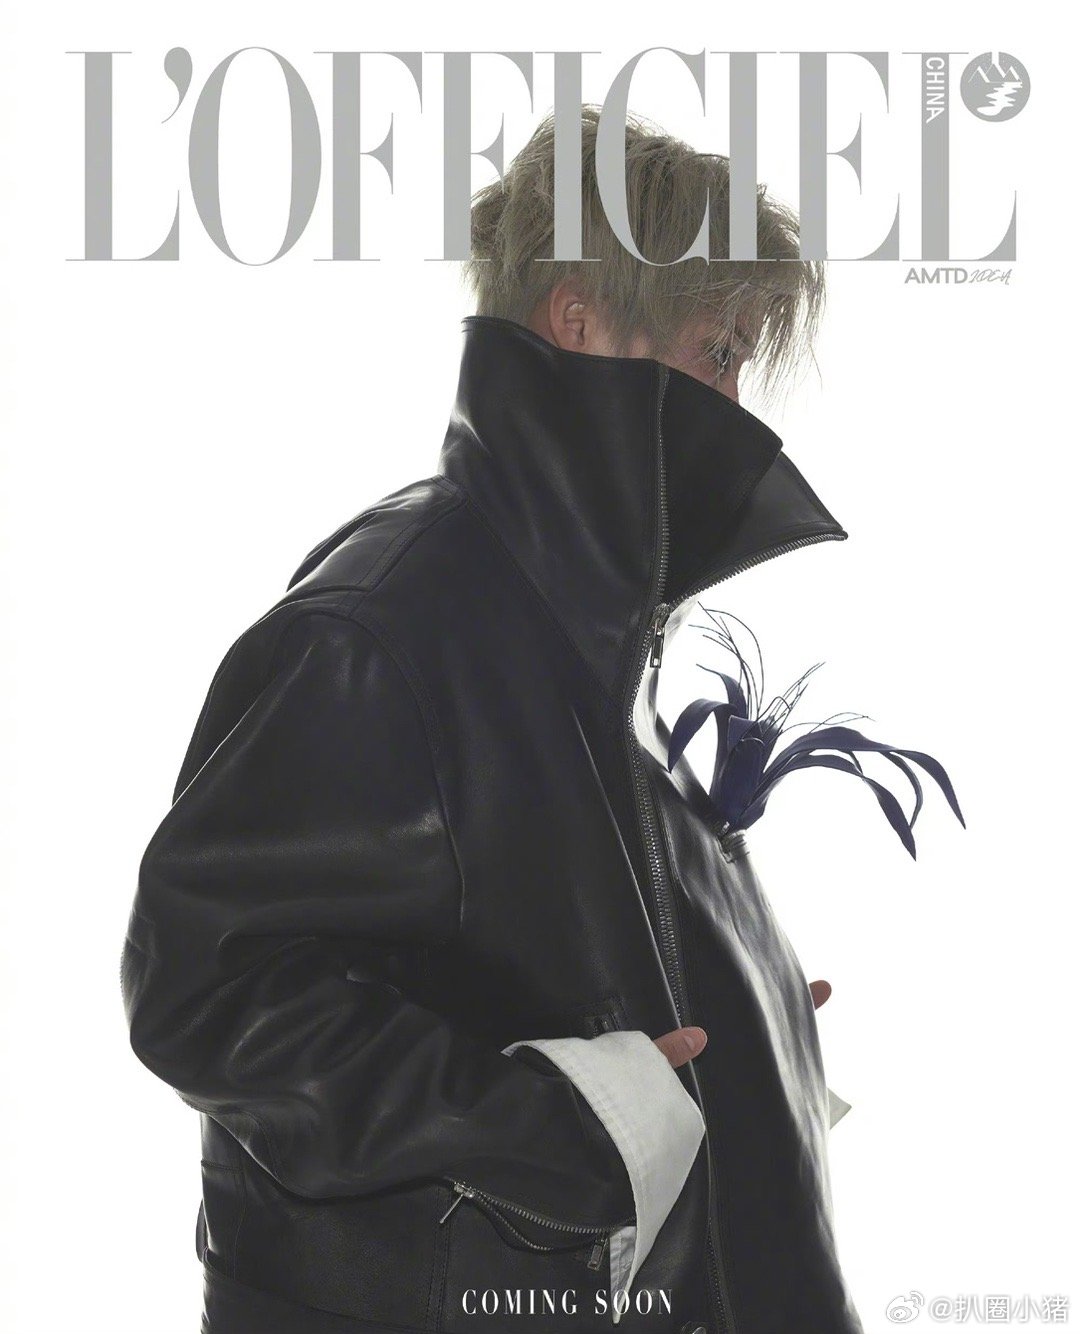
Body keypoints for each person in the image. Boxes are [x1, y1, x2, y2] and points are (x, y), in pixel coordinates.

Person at [120, 105, 863, 1334]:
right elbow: (208, 991)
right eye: (717, 351)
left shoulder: (570, 625)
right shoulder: (387, 629)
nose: (736, 401)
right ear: (580, 324)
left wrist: (746, 1008)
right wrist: (550, 1117)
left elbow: (511, 939)